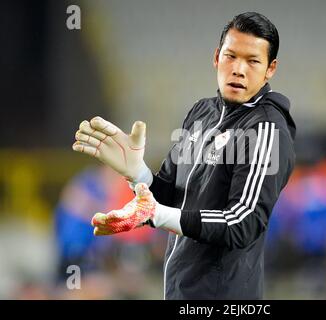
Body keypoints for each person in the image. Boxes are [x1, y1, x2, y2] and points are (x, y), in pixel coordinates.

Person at [72, 12, 296, 299]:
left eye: (253, 61)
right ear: (216, 57)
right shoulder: (200, 113)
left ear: (270, 69)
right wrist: (137, 173)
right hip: (180, 292)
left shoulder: (266, 128)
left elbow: (243, 223)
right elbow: (170, 197)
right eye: (231, 56)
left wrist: (158, 214)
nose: (239, 69)